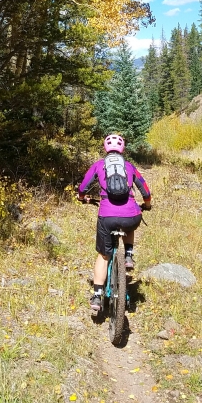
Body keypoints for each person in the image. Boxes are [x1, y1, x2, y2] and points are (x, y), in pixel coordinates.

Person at [77, 133, 152, 313]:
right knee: (130, 222)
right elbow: (146, 191)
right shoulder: (129, 166)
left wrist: (82, 198)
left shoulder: (98, 165)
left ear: (105, 149)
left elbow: (83, 187)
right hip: (130, 215)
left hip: (107, 216)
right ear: (122, 149)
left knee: (104, 256)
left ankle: (97, 295)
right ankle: (128, 255)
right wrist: (147, 205)